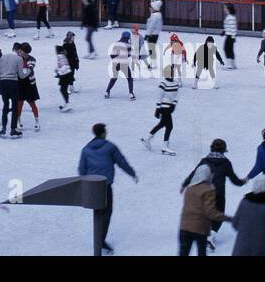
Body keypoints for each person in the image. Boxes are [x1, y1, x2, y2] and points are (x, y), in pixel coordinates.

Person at [77, 123, 138, 255]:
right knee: (107, 212)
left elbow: (81, 169)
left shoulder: (86, 149)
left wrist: (84, 185)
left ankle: (98, 240)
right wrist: (132, 173)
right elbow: (122, 162)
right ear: (103, 133)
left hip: (92, 186)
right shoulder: (110, 147)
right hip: (105, 185)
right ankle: (100, 240)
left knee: (98, 212)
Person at [180, 139, 246, 247]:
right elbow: (234, 180)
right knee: (218, 214)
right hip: (219, 193)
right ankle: (210, 236)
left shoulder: (204, 161)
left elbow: (193, 173)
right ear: (224, 150)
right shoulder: (226, 163)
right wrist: (242, 182)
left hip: (204, 192)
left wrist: (185, 184)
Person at [178, 164, 230, 256]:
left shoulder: (189, 188)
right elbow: (210, 212)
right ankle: (209, 239)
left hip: (184, 227)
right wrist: (227, 218)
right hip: (200, 229)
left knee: (183, 253)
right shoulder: (209, 189)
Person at [141, 64, 181, 155]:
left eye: (173, 72)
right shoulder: (162, 84)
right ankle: (164, 147)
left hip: (169, 108)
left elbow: (177, 95)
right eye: (171, 72)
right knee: (169, 126)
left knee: (162, 124)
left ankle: (147, 139)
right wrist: (158, 109)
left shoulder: (175, 83)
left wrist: (173, 105)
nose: (173, 74)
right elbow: (159, 97)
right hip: (164, 108)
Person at [0, 42, 27, 137]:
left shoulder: (3, 57)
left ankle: (3, 129)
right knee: (14, 106)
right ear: (18, 50)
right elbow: (21, 76)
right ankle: (13, 129)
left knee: (5, 105)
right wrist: (29, 71)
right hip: (13, 83)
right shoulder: (19, 59)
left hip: (3, 83)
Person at [17, 43, 42, 131]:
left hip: (30, 85)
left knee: (32, 103)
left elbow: (30, 70)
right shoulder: (18, 58)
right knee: (19, 103)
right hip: (20, 84)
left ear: (26, 52)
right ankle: (18, 121)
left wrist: (22, 71)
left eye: (22, 51)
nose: (20, 52)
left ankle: (37, 121)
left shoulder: (32, 60)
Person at [104, 30, 136, 100]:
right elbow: (130, 54)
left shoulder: (117, 44)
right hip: (124, 64)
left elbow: (112, 55)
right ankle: (131, 93)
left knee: (114, 78)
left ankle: (107, 92)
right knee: (130, 79)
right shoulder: (128, 45)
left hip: (116, 64)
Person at [54, 44, 75, 111]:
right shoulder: (62, 56)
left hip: (65, 75)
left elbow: (64, 66)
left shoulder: (60, 56)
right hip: (66, 74)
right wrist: (57, 71)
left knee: (63, 90)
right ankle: (66, 103)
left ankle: (67, 103)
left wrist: (58, 73)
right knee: (63, 90)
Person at [143, 0, 164, 68]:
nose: (149, 9)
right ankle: (153, 62)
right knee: (152, 49)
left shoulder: (155, 16)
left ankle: (153, 63)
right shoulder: (158, 15)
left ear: (154, 9)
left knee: (151, 49)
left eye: (151, 8)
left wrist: (147, 34)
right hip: (155, 34)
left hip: (152, 35)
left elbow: (151, 26)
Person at [221, 2, 238, 68]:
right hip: (229, 35)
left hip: (230, 36)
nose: (224, 9)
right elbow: (229, 26)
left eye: (225, 8)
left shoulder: (230, 17)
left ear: (228, 9)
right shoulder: (230, 16)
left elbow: (233, 28)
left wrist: (233, 37)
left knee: (227, 49)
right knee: (229, 49)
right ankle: (232, 64)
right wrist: (224, 31)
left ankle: (230, 64)